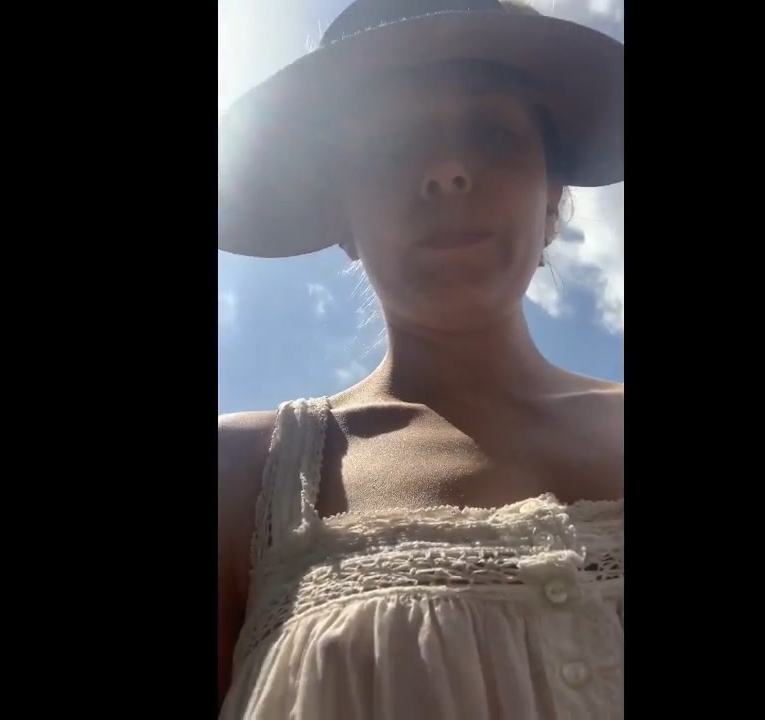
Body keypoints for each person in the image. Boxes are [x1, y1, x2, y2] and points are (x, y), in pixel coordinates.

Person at [217, 1, 624, 717]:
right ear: (344, 222)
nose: (445, 172)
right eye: (390, 146)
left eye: (490, 133)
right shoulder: (245, 475)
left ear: (551, 198)